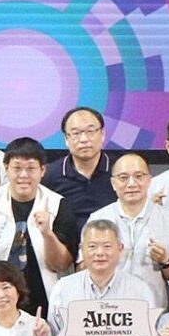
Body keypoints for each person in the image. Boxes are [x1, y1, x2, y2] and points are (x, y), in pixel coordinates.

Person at [49, 220, 159, 336]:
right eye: (92, 246)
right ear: (81, 249)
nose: (99, 253)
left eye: (107, 246)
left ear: (120, 249)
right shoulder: (63, 288)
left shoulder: (140, 291)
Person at [0, 136, 68, 314]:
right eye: (17, 168)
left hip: (44, 299)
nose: (23, 175)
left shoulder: (58, 205)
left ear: (42, 170)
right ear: (6, 168)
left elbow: (61, 264)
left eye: (31, 168)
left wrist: (47, 233)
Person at [92, 152, 169, 301]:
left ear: (149, 180)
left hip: (154, 308)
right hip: (109, 308)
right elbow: (82, 269)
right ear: (113, 183)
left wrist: (165, 261)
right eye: (123, 177)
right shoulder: (98, 219)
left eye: (139, 176)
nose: (132, 184)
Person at [44, 106, 115, 247]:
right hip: (65, 250)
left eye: (90, 131)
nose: (84, 139)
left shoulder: (119, 171)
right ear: (66, 138)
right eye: (76, 133)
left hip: (110, 249)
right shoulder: (50, 175)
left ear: (102, 134)